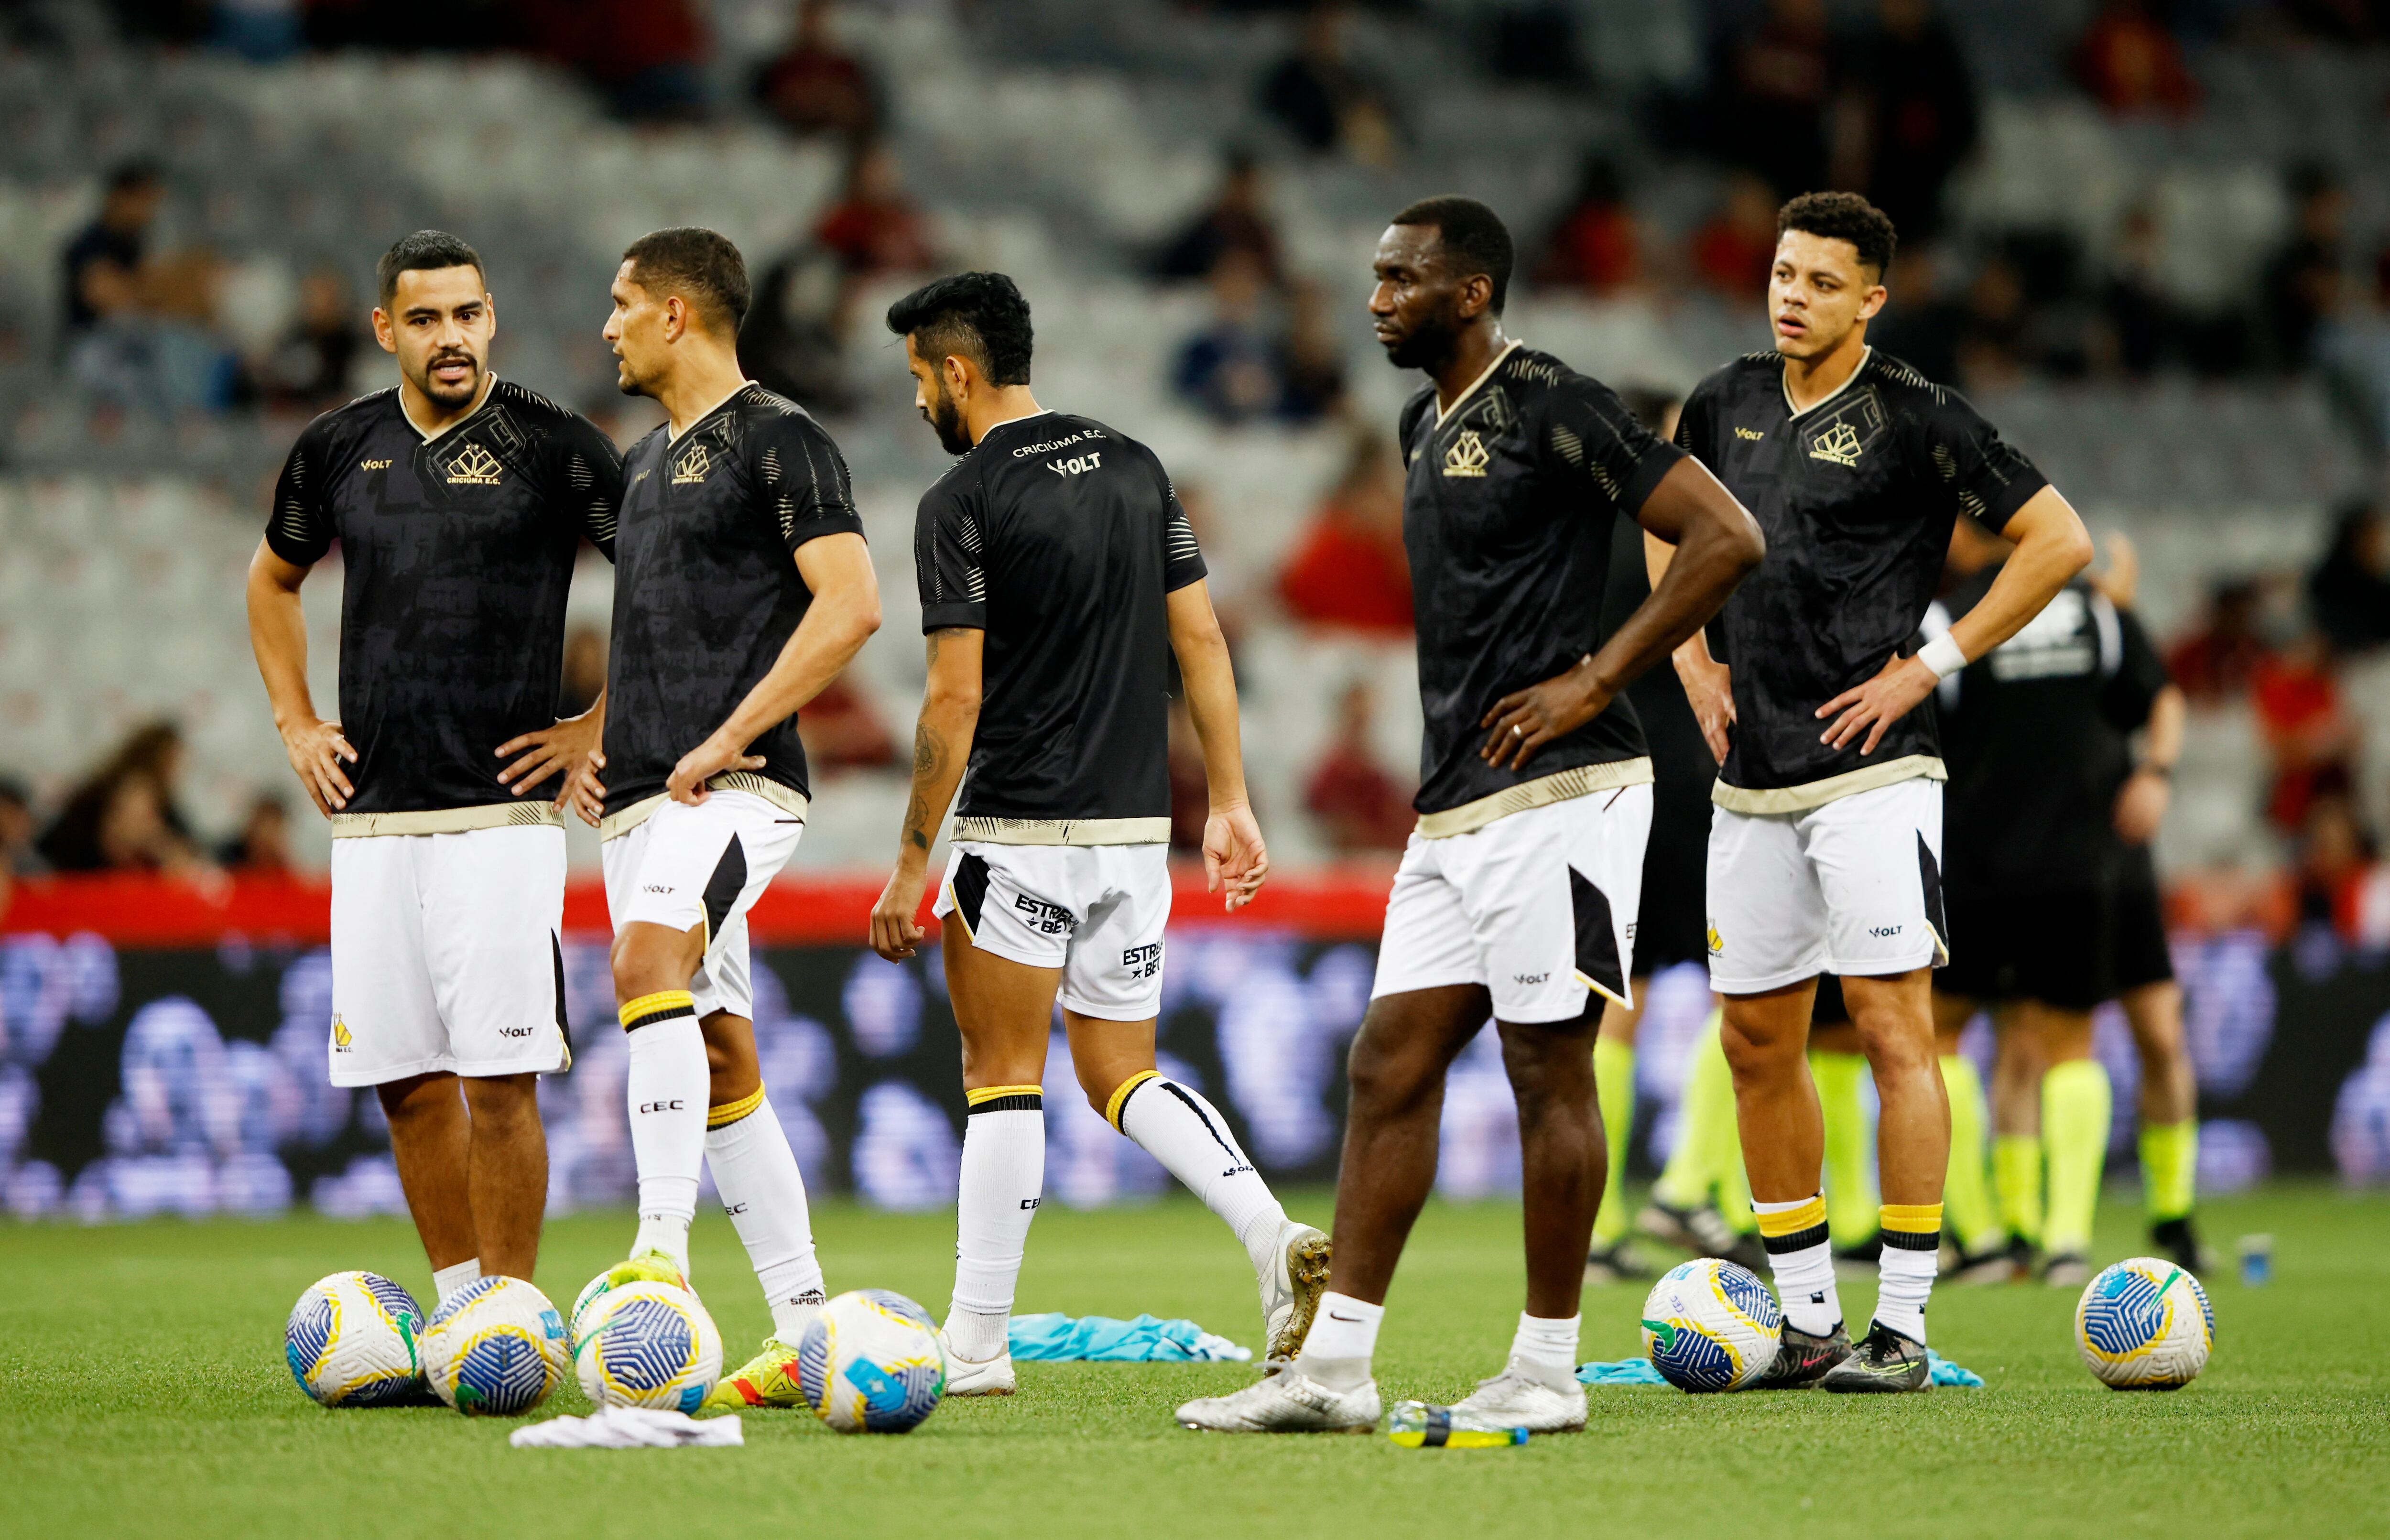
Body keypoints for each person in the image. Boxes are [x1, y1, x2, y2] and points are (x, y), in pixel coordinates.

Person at [1178, 195, 1764, 1435]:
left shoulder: (1555, 397)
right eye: (1377, 274)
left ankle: (1548, 1367)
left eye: (1403, 278)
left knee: (1547, 1066)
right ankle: (1336, 1369)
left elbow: (1726, 534)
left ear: (1472, 292)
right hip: (1454, 804)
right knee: (1388, 1064)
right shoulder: (1418, 420)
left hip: (1565, 794)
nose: (1378, 295)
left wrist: (1600, 676)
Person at [865, 271, 1321, 1398]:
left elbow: (952, 701)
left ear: (957, 372)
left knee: (1001, 1076)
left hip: (1017, 830)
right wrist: (1230, 800)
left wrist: (912, 862)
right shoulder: (1134, 464)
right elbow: (1204, 643)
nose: (920, 398)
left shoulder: (960, 501)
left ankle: (974, 1346)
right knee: (1123, 1070)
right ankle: (1273, 1241)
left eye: (920, 376)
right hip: (1133, 834)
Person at [1670, 191, 2091, 1390]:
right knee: (1757, 1039)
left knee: (1895, 1027)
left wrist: (1931, 664)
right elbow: (1664, 516)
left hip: (1872, 770)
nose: (1789, 295)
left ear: (1872, 299)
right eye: (1780, 273)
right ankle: (1806, 1322)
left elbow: (2058, 539)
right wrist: (1693, 660)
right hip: (1750, 778)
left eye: (1818, 281)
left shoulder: (1918, 416)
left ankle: (1901, 1328)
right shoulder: (1722, 400)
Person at [244, 230, 623, 1307]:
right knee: (403, 1082)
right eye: (424, 319)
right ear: (385, 330)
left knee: (500, 1083)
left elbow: (660, 577)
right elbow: (273, 585)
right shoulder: (335, 447)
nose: (449, 338)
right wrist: (297, 724)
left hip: (500, 816)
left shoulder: (557, 444)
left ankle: (509, 1316)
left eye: (465, 315)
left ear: (491, 317)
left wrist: (597, 721)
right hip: (371, 819)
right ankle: (461, 1308)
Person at [558, 227, 881, 1412]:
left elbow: (851, 606)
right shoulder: (643, 467)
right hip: (644, 792)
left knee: (647, 959)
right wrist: (601, 738)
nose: (608, 326)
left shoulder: (781, 438)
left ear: (678, 315)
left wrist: (729, 732)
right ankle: (803, 1330)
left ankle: (658, 1260)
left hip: (734, 787)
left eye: (621, 302)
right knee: (721, 1046)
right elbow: (662, 631)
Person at [1931, 519, 2186, 1285]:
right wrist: (2157, 772)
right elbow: (2160, 694)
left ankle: (1987, 1235)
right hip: (2079, 864)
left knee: (1941, 1039)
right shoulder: (2097, 611)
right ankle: (2067, 1241)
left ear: (1964, 529)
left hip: (1970, 864)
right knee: (2069, 1046)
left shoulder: (1945, 620)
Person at [36, 721, 206, 874]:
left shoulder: (166, 813)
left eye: (147, 817)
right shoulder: (90, 807)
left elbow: (192, 859)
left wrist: (163, 847)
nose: (178, 771)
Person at [1304, 681, 1412, 856]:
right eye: (1358, 718)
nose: (1364, 725)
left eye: (1367, 719)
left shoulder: (1378, 770)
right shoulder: (1331, 772)